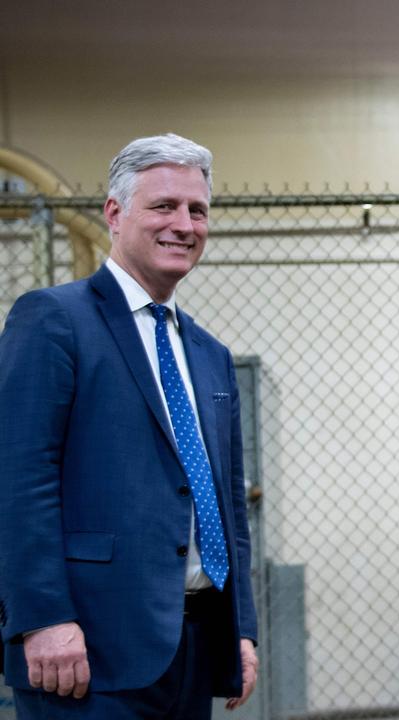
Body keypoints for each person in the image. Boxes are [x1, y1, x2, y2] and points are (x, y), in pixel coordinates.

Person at [0, 134, 258, 718]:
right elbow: (17, 479)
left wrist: (240, 630)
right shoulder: (53, 320)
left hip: (193, 649)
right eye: (163, 206)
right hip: (85, 653)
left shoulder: (209, 353)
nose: (184, 224)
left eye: (197, 210)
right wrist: (43, 618)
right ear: (114, 215)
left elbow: (227, 508)